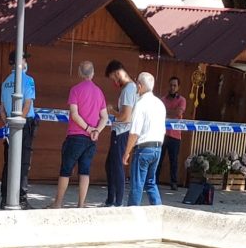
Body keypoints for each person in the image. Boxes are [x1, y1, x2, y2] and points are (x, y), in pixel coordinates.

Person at [50, 61, 107, 209]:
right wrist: (96, 131)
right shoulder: (99, 92)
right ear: (93, 73)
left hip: (76, 136)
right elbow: (105, 117)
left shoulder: (75, 90)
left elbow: (74, 114)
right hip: (91, 140)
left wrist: (88, 129)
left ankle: (58, 203)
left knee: (66, 170)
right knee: (85, 171)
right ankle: (81, 204)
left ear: (80, 73)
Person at [0, 50, 37, 209]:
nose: (26, 62)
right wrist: (20, 121)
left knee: (9, 162)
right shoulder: (28, 80)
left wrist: (9, 123)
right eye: (24, 59)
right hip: (24, 124)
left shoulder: (5, 82)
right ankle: (21, 198)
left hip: (9, 124)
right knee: (23, 162)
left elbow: (2, 110)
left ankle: (4, 198)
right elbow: (27, 105)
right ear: (19, 61)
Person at [123, 72, 166, 206]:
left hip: (143, 149)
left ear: (139, 86)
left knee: (137, 184)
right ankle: (158, 212)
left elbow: (134, 132)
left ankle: (132, 215)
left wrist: (126, 152)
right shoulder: (160, 104)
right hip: (157, 148)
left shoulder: (140, 104)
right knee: (150, 182)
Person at [103, 60, 136, 207]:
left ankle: (117, 202)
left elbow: (125, 116)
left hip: (122, 132)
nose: (114, 82)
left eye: (113, 78)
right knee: (110, 165)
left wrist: (112, 111)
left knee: (116, 166)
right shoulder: (128, 88)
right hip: (119, 131)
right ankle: (111, 199)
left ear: (117, 73)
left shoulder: (129, 89)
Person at [158, 76, 186, 190]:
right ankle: (154, 180)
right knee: (159, 158)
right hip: (162, 134)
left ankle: (173, 182)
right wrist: (169, 112)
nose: (172, 87)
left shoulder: (181, 100)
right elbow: (159, 112)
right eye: (171, 85)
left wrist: (166, 112)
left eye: (175, 85)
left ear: (178, 87)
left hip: (175, 135)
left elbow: (178, 113)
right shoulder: (163, 99)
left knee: (173, 160)